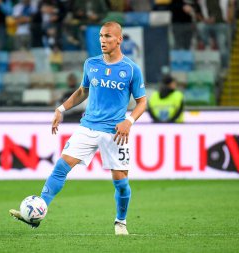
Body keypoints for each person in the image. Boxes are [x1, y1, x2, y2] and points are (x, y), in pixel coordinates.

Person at [10, 21, 147, 235]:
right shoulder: (91, 64)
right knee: (61, 167)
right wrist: (61, 108)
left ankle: (121, 222)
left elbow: (142, 102)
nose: (103, 40)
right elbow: (83, 91)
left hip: (114, 132)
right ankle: (37, 214)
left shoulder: (131, 69)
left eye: (108, 36)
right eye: (101, 36)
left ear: (119, 39)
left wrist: (129, 121)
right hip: (88, 127)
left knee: (121, 183)